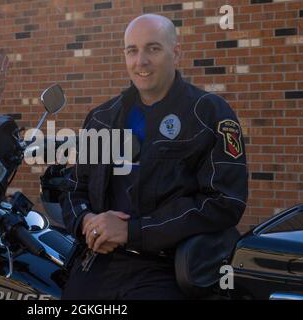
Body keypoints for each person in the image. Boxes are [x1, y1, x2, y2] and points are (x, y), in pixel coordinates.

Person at [59, 13, 248, 300]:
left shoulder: (209, 113)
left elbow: (225, 202)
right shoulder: (102, 118)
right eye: (132, 51)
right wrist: (87, 223)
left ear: (176, 53)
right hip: (101, 264)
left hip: (170, 268)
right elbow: (74, 188)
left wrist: (133, 231)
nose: (141, 61)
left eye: (153, 48)